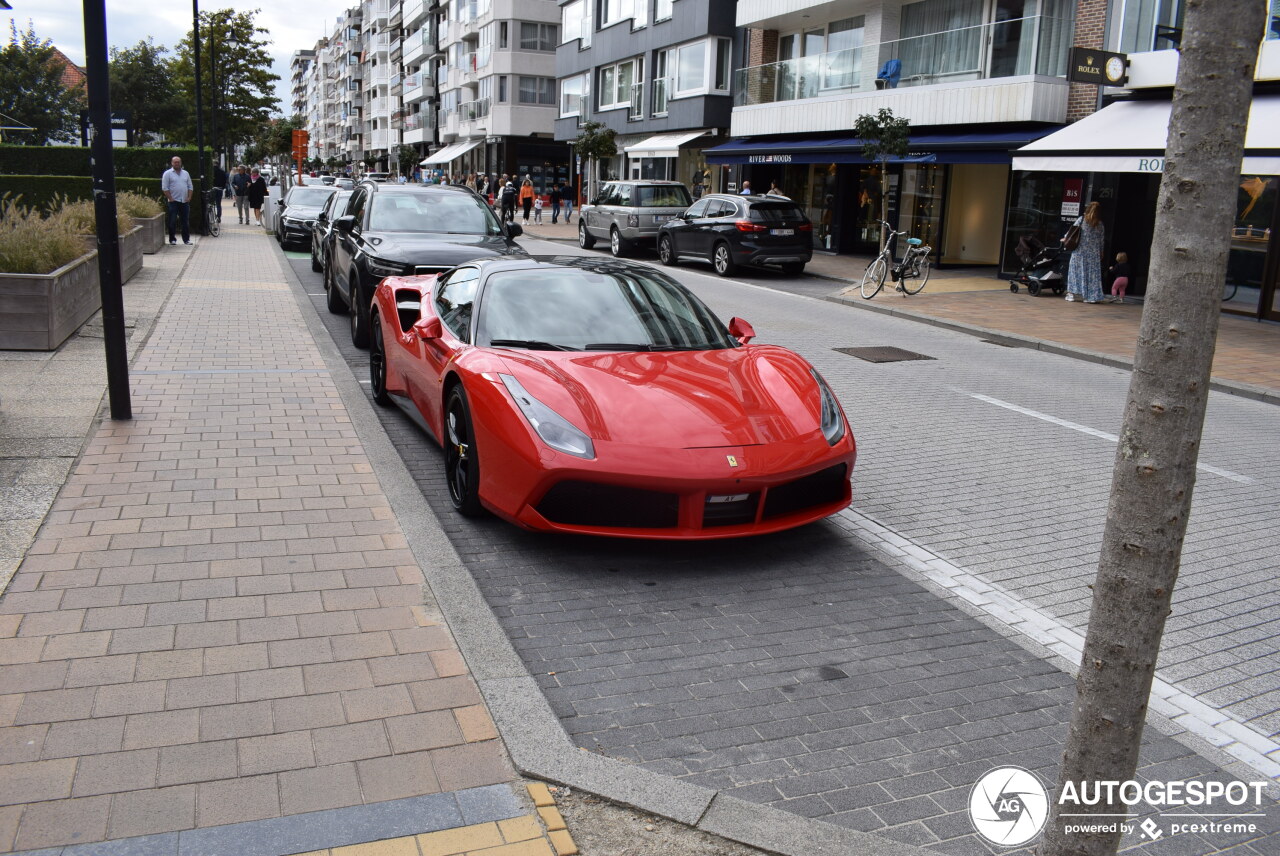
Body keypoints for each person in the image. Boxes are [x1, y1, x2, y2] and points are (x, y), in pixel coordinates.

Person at [1063, 200, 1105, 303]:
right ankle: (1091, 297)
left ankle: (1071, 294)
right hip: (1093, 254)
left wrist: (1065, 239)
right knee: (1092, 275)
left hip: (1079, 252)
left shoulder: (1082, 220)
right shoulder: (1100, 224)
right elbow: (1101, 241)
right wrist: (1101, 252)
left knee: (1075, 273)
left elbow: (1070, 233)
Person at [161, 156, 194, 245]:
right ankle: (172, 239)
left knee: (185, 221)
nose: (177, 163)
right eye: (175, 162)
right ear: (172, 163)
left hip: (184, 201)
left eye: (178, 162)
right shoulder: (167, 173)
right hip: (173, 201)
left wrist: (189, 197)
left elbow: (190, 186)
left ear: (181, 163)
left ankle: (186, 239)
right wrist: (170, 198)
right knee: (172, 221)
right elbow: (165, 187)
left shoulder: (185, 173)